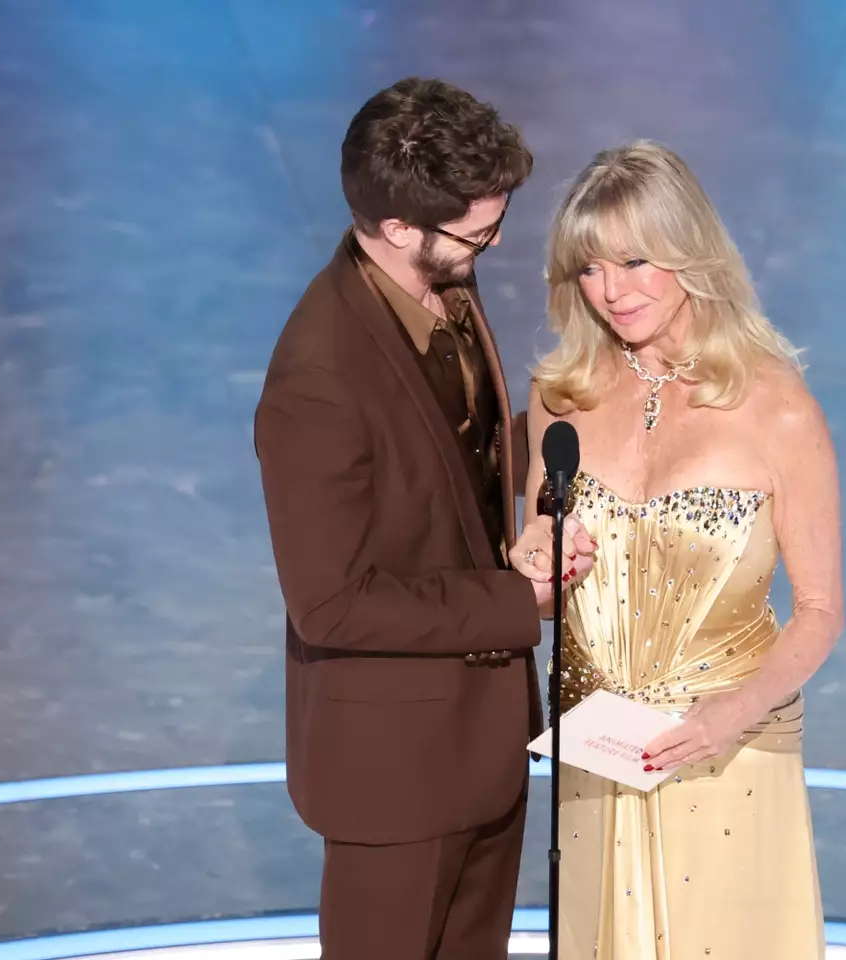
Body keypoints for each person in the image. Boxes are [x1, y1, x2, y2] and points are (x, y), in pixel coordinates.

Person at [253, 77, 594, 960]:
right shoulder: (317, 381)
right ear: (398, 226)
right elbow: (330, 605)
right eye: (476, 230)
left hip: (480, 740)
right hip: (393, 772)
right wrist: (522, 603)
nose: (493, 242)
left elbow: (454, 463)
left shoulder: (440, 280)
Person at [511, 141, 845, 959]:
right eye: (588, 268)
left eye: (634, 260)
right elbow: (539, 571)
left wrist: (728, 715)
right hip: (599, 749)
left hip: (726, 752)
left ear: (690, 254)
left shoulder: (777, 407)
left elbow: (821, 612)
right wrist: (531, 560)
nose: (611, 291)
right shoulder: (560, 394)